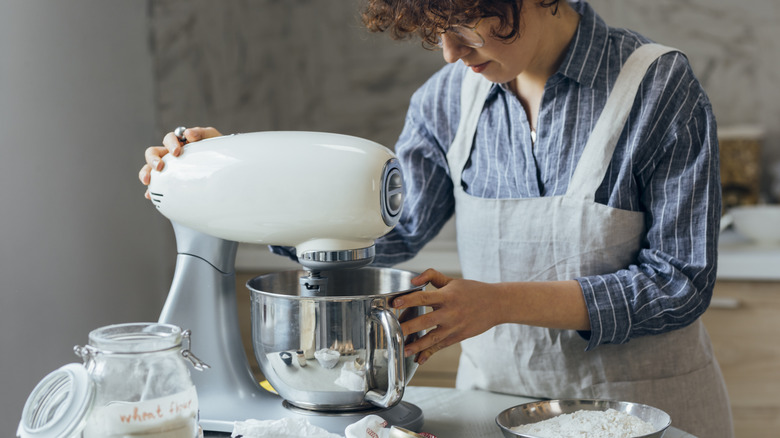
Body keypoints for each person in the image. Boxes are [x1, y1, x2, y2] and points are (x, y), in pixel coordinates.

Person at [139, 1, 733, 436]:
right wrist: (234, 177)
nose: (449, 53)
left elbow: (678, 285)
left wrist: (498, 304)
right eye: (435, 33)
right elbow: (386, 236)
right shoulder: (447, 100)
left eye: (462, 25)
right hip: (496, 411)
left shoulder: (659, 88)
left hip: (648, 415)